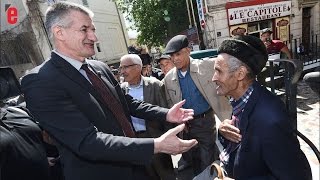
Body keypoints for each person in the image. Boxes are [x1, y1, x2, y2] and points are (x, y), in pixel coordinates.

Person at [20, 2, 198, 180]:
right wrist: (156, 145)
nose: (94, 37)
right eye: (84, 29)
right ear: (60, 33)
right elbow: (87, 142)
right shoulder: (40, 81)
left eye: (93, 29)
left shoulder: (99, 68)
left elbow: (125, 103)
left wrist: (166, 114)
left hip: (137, 167)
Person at [212, 35, 312, 179]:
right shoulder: (241, 100)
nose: (214, 78)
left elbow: (297, 176)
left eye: (219, 71)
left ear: (240, 74)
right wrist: (223, 131)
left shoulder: (270, 118)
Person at [162, 35, 232, 176]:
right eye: (172, 56)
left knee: (207, 158)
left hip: (205, 121)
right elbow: (170, 102)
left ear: (188, 50)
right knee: (191, 158)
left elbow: (229, 68)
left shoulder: (207, 66)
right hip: (185, 126)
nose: (175, 59)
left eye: (178, 54)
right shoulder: (169, 78)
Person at [119, 54, 176, 180]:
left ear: (138, 67)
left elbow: (164, 112)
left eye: (125, 67)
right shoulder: (120, 90)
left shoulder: (155, 85)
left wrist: (169, 138)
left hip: (156, 137)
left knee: (166, 174)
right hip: (135, 142)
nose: (122, 72)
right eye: (121, 68)